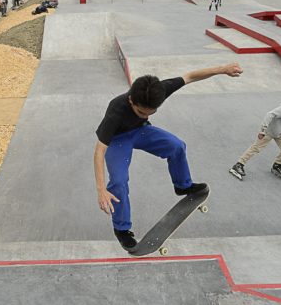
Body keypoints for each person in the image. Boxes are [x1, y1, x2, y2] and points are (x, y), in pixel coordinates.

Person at [94, 63, 243, 251]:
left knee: (177, 146)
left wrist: (222, 69)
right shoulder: (116, 110)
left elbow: (190, 76)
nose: (145, 114)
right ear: (131, 100)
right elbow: (99, 150)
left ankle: (183, 185)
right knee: (118, 182)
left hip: (141, 131)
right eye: (141, 112)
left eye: (151, 112)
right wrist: (100, 189)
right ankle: (122, 229)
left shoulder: (159, 90)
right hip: (118, 139)